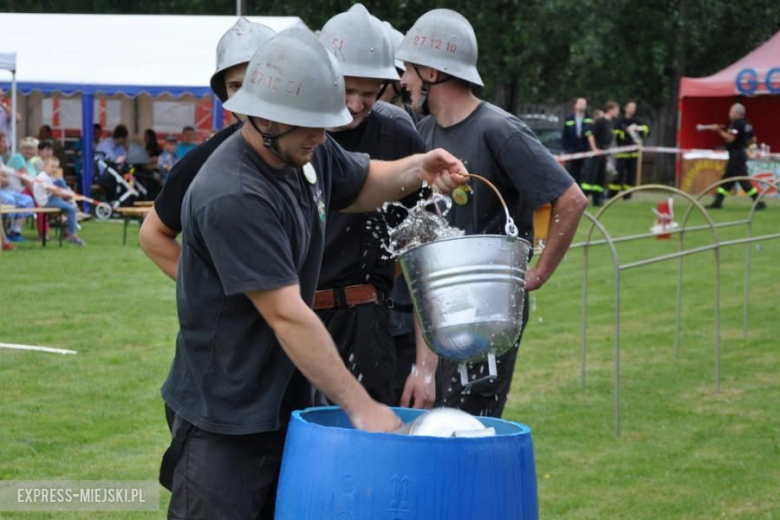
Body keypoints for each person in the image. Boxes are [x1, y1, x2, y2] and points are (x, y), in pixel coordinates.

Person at [160, 28, 468, 519]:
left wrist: (418, 167)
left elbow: (364, 183)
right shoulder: (233, 194)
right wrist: (360, 405)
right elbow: (287, 316)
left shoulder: (304, 148)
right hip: (227, 413)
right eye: (312, 127)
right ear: (262, 117)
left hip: (284, 398)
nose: (323, 137)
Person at [397, 9, 587, 417]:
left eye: (408, 69)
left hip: (487, 314)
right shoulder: (426, 135)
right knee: (437, 430)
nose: (402, 81)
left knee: (467, 428)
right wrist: (424, 369)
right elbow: (427, 248)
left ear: (430, 71)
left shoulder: (499, 129)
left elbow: (571, 199)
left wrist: (536, 275)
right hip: (442, 310)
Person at [316, 4, 433, 408]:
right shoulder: (286, 130)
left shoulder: (397, 135)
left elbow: (425, 253)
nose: (355, 104)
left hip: (365, 325)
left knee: (365, 455)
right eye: (346, 89)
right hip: (289, 319)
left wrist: (425, 366)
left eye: (369, 93)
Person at [140, 17, 277, 281]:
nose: (247, 96)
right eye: (236, 86)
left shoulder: (313, 144)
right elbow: (152, 234)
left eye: (256, 81)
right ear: (224, 92)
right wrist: (209, 292)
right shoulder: (205, 160)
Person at [705, 103, 766, 210]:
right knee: (727, 180)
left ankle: (759, 201)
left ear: (737, 113)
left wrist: (718, 131)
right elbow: (753, 140)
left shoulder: (736, 124)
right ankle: (718, 202)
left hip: (736, 155)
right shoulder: (747, 125)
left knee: (743, 181)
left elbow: (731, 138)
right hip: (740, 153)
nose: (729, 114)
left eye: (731, 111)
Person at [32, 157, 85, 246]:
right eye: (52, 167)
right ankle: (72, 235)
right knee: (71, 209)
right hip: (46, 201)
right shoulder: (43, 177)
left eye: (56, 167)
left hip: (50, 196)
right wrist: (70, 195)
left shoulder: (48, 176)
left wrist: (67, 192)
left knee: (60, 180)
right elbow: (57, 192)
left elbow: (57, 188)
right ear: (45, 167)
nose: (54, 169)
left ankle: (70, 202)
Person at [609, 100, 649, 199]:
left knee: (631, 175)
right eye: (630, 107)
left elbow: (646, 132)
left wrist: (638, 130)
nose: (632, 109)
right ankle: (612, 193)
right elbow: (615, 133)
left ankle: (627, 195)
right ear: (625, 108)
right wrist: (626, 132)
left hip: (634, 154)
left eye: (634, 107)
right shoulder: (620, 121)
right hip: (622, 153)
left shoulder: (638, 121)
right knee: (619, 174)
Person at [581, 101, 619, 205]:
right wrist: (594, 149)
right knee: (590, 176)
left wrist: (606, 155)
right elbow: (591, 135)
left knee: (601, 177)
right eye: (616, 109)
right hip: (596, 152)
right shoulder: (600, 121)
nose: (618, 112)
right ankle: (583, 199)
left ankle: (597, 199)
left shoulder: (610, 123)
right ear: (610, 109)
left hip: (603, 152)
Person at [561, 97, 593, 186]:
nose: (582, 106)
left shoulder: (589, 118)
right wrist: (567, 149)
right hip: (572, 150)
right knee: (573, 172)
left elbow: (591, 134)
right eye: (580, 103)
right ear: (575, 105)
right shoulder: (569, 118)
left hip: (585, 149)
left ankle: (584, 191)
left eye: (584, 104)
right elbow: (565, 135)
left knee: (585, 171)